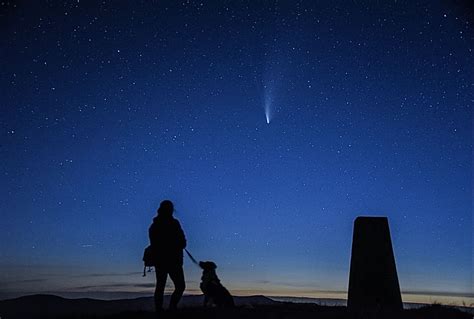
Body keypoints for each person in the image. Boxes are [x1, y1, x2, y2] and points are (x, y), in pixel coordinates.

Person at [149, 200, 186, 313]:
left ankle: (159, 311)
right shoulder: (174, 223)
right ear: (171, 210)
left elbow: (154, 244)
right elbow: (183, 242)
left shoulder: (154, 226)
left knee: (160, 286)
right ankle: (172, 307)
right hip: (174, 260)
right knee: (180, 286)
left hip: (160, 260)